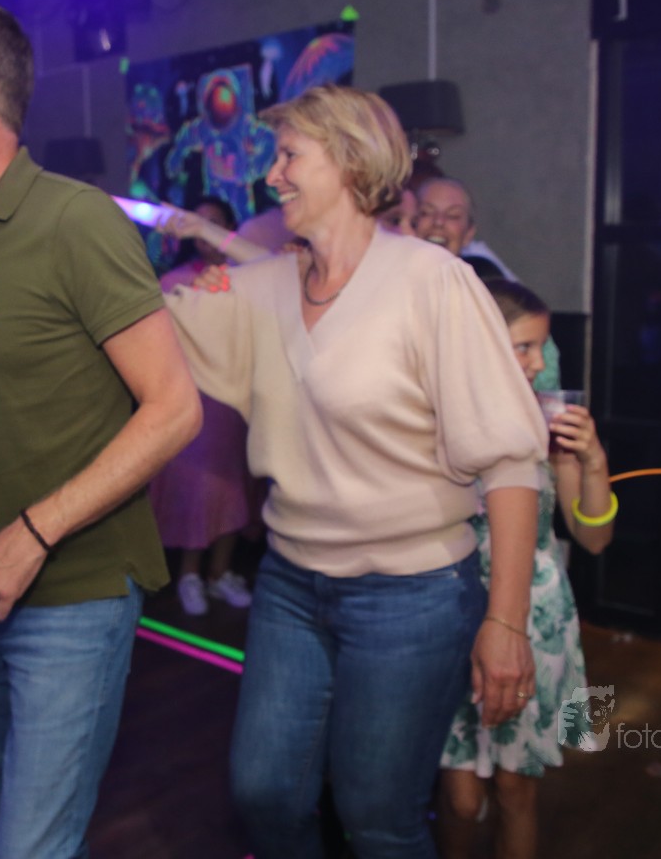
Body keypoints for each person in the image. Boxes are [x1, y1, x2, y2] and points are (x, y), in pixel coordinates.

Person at [163, 84, 544, 858]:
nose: (272, 176)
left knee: (377, 817)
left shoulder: (431, 282)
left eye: (289, 156)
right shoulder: (267, 284)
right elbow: (140, 326)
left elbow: (510, 460)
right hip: (290, 583)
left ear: (347, 160)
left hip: (412, 595)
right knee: (265, 792)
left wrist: (505, 624)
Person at [0, 0, 201, 858]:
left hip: (74, 593)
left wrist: (33, 533)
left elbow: (175, 409)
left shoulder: (74, 221)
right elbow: (12, 398)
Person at [437, 278, 616, 859]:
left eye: (542, 346)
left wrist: (593, 461)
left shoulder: (547, 420)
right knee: (460, 800)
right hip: (449, 611)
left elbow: (593, 539)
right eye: (525, 347)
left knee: (516, 791)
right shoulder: (436, 417)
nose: (541, 363)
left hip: (535, 619)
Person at [151, 196, 259, 615]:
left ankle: (220, 573)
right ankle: (190, 575)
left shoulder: (253, 277)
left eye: (213, 222)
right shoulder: (175, 281)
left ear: (230, 228)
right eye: (197, 223)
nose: (203, 231)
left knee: (233, 489)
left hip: (238, 403)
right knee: (196, 489)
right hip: (195, 401)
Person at [413, 176, 561, 391]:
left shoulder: (486, 290)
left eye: (453, 215)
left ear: (468, 234)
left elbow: (543, 381)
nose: (438, 222)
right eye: (426, 212)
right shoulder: (388, 294)